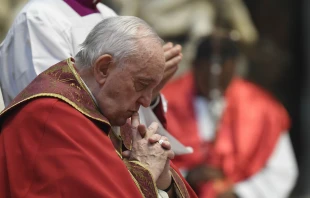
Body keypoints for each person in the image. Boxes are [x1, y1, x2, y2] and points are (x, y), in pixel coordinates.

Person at [0, 16, 197, 198]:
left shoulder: (105, 109)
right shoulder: (51, 116)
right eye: (141, 85)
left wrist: (166, 183)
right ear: (103, 68)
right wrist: (145, 171)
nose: (146, 101)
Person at [162, 32, 298, 198]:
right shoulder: (163, 102)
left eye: (222, 71)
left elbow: (281, 172)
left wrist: (239, 193)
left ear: (234, 67)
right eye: (206, 70)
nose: (214, 77)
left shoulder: (263, 109)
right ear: (194, 65)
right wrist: (185, 176)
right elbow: (145, 164)